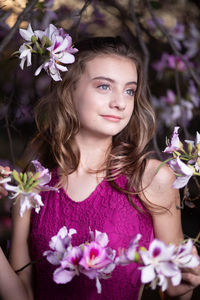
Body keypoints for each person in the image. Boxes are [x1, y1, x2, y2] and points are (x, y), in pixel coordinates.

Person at [0, 36, 199, 300]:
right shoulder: (33, 187)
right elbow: (20, 295)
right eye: (104, 86)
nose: (120, 103)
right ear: (68, 90)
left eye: (129, 90)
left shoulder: (152, 178)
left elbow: (176, 286)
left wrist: (184, 285)